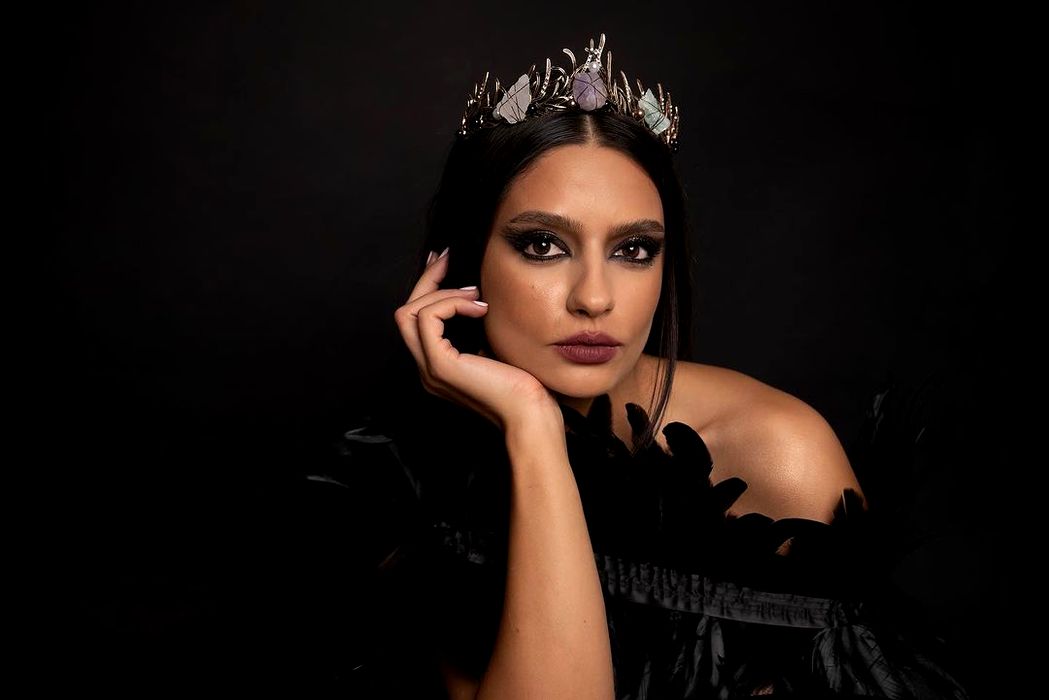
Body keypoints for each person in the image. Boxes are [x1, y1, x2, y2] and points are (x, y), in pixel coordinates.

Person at [326, 33, 972, 699]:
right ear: (466, 261)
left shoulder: (779, 458)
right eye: (543, 245)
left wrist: (530, 432)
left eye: (634, 249)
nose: (594, 298)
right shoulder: (424, 456)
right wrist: (533, 428)